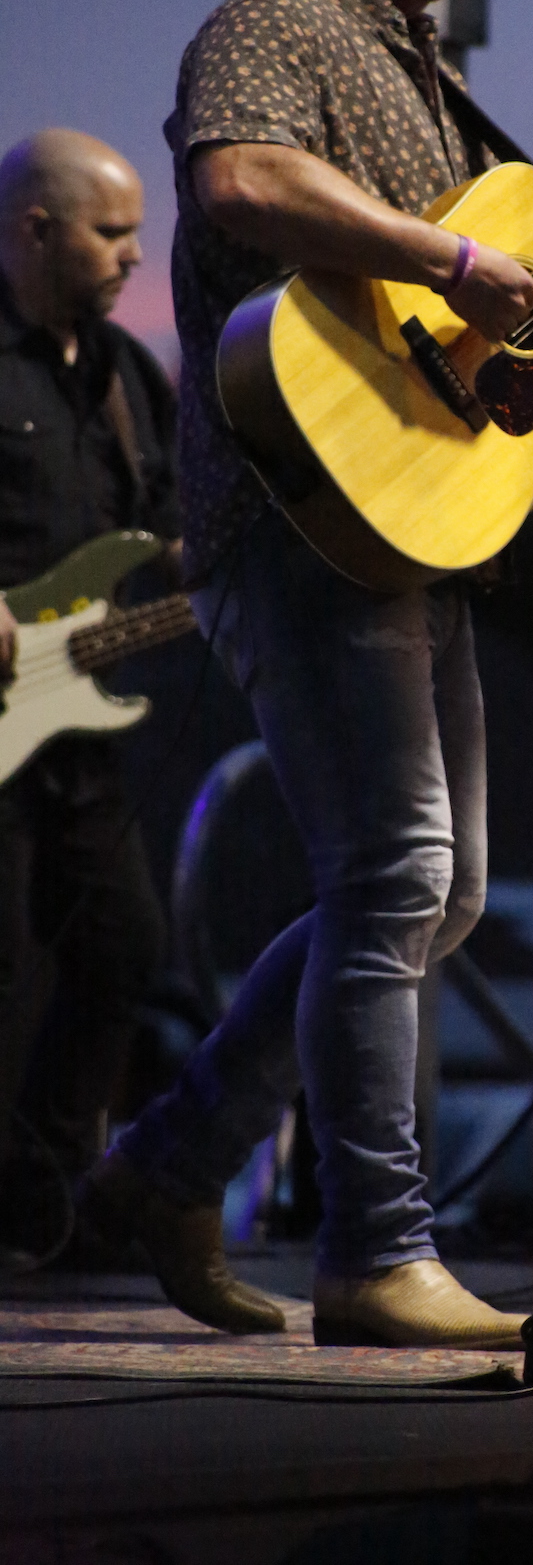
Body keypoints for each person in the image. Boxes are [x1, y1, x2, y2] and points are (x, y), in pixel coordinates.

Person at [81, 0, 533, 1346]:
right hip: (295, 517)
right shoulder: (272, 23)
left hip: (407, 516)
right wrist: (446, 249)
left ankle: (167, 1162)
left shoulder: (415, 66)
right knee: (399, 874)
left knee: (433, 893)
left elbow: (467, 323)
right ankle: (377, 1245)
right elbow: (240, 176)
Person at [0, 130, 179, 1267]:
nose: (131, 254)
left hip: (79, 725)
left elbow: (163, 531)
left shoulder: (127, 377)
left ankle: (44, 1195)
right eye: (110, 233)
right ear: (33, 231)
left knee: (122, 947)